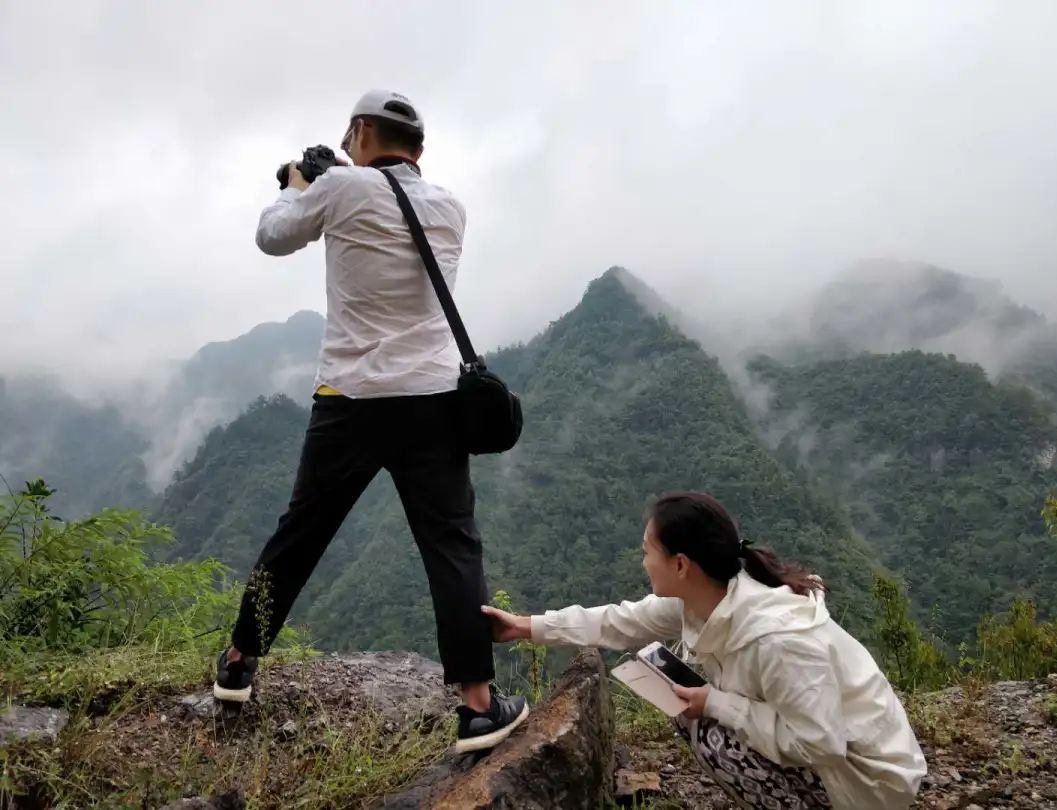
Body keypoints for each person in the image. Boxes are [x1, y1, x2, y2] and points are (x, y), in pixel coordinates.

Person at [213, 89, 528, 754]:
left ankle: (239, 662)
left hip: (349, 398)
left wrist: (300, 184)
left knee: (300, 533)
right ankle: (476, 705)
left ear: (359, 132)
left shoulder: (341, 190)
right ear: (418, 148)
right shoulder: (451, 207)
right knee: (451, 545)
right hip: (433, 399)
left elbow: (273, 237)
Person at [483, 491, 926, 809]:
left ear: (680, 565)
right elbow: (619, 620)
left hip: (867, 782)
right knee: (685, 701)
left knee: (710, 732)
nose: (641, 562)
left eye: (646, 552)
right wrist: (524, 627)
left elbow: (822, 744)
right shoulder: (706, 597)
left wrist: (718, 704)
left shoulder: (777, 641)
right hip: (837, 749)